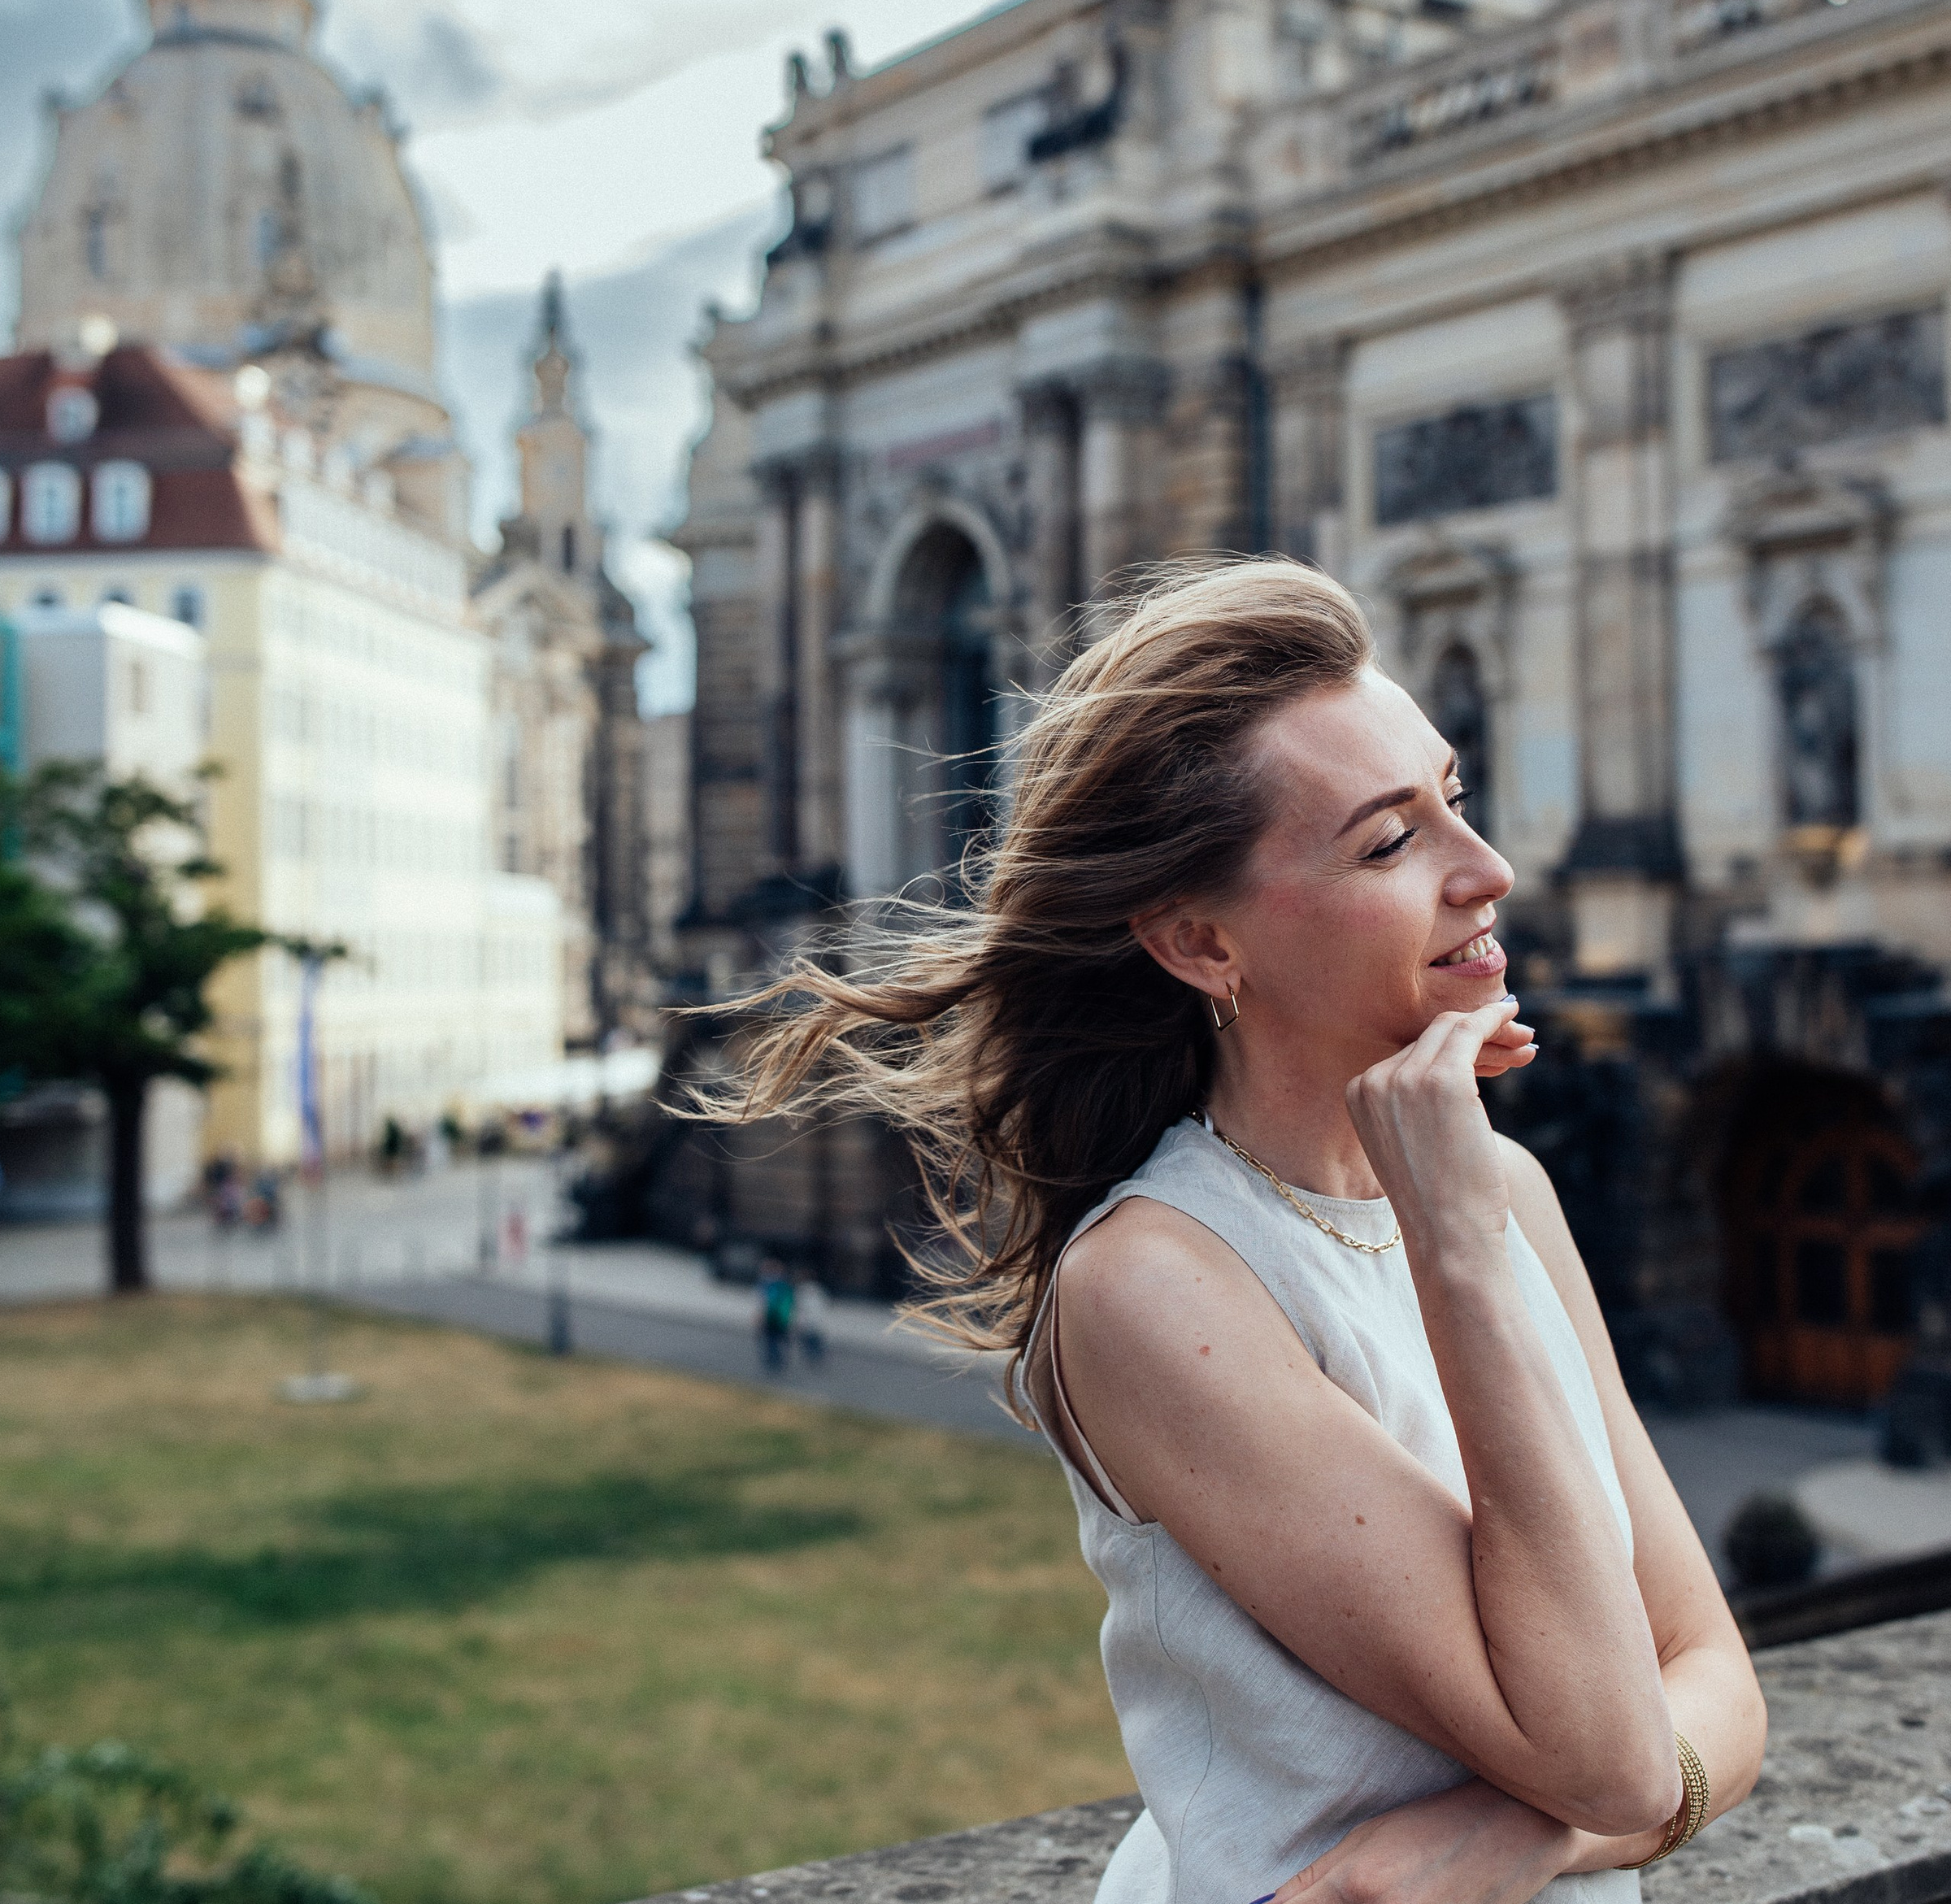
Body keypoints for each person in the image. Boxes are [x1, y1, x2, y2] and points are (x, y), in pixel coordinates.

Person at [709, 561, 1765, 1904]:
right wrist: (1454, 1248)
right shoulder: (1156, 1285)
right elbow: (1618, 1760)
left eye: (1456, 799)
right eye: (1390, 844)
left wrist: (1507, 1843)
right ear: (1203, 945)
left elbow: (1716, 1682)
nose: (1488, 872)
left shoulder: (1507, 1193)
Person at [757, 1258, 794, 1371]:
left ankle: (774, 1362)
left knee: (771, 1341)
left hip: (773, 1318)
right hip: (782, 1319)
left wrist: (762, 1317)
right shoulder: (787, 1287)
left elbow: (768, 1304)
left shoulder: (772, 1286)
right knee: (777, 1340)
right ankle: (778, 1361)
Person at [793, 1273, 830, 1366]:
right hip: (816, 1319)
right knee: (814, 1339)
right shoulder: (818, 1290)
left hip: (809, 1320)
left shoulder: (802, 1291)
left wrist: (799, 1321)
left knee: (810, 1339)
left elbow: (800, 1307)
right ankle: (816, 1356)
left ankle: (813, 1356)